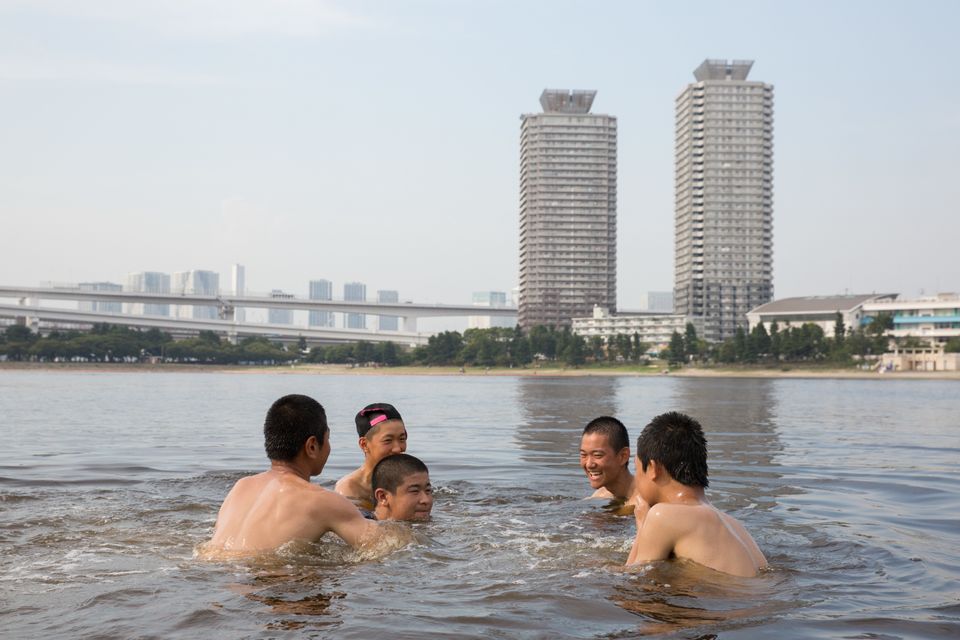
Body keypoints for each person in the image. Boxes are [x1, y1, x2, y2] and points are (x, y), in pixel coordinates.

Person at [204, 394, 385, 555]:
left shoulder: (242, 486)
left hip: (217, 573)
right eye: (328, 439)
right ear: (312, 446)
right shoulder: (322, 500)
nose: (329, 447)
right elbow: (385, 547)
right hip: (271, 580)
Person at [626, 411, 767, 577]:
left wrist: (642, 525)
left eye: (636, 469)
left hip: (731, 599)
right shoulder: (735, 525)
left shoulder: (663, 515)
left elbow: (631, 578)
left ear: (653, 468)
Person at [335, 402, 408, 510]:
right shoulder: (349, 489)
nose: (397, 449)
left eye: (402, 439)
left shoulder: (408, 477)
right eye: (388, 440)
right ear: (364, 444)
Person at [580, 416, 636, 510]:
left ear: (623, 456)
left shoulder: (647, 498)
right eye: (583, 455)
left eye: (597, 455)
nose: (589, 464)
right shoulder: (600, 496)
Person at [371, 453, 434, 521]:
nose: (426, 500)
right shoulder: (362, 527)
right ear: (383, 497)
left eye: (428, 490)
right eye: (414, 491)